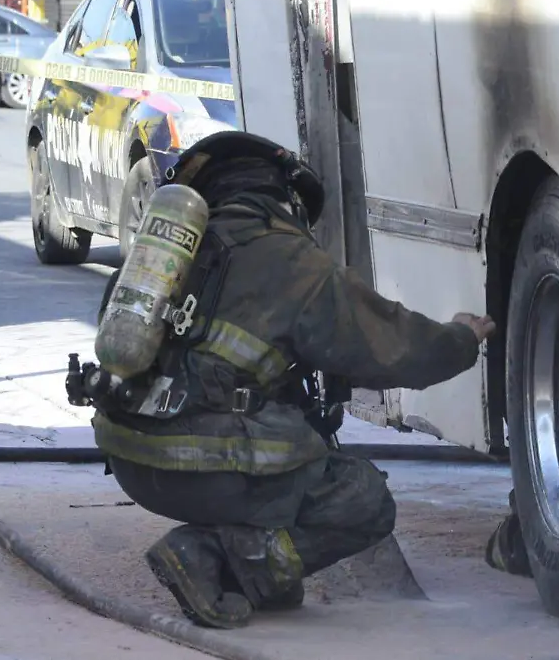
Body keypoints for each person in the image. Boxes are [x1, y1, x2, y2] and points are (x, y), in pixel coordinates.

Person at [88, 130, 496, 630]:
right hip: (200, 470)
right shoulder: (292, 262)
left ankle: (254, 561)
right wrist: (460, 337)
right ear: (284, 197)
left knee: (276, 428)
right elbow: (394, 349)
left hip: (129, 460)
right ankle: (213, 559)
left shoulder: (162, 255)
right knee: (361, 497)